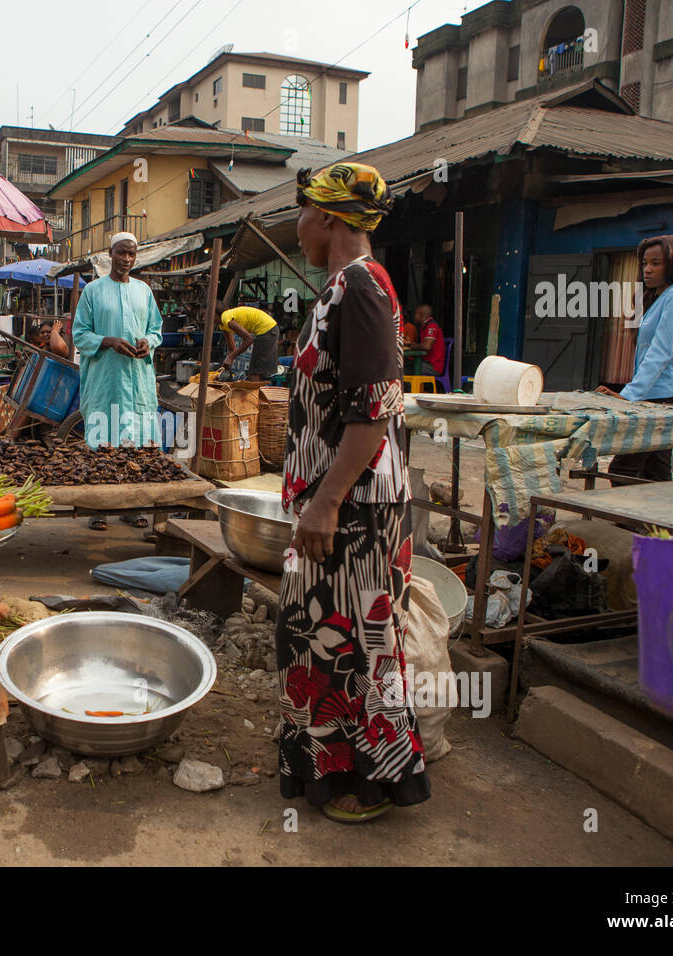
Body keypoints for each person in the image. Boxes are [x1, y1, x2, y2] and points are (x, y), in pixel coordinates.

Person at [279, 162, 429, 824]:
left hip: (357, 510)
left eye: (305, 212)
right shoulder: (341, 288)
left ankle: (372, 786)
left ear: (331, 218)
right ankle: (331, 773)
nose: (298, 225)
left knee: (359, 645)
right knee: (317, 639)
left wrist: (326, 500)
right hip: (338, 504)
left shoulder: (362, 290)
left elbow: (371, 413)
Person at [72, 232, 163, 531]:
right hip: (105, 380)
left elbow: (156, 328)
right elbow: (80, 334)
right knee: (102, 440)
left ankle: (131, 505)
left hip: (137, 380)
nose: (126, 259)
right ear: (110, 254)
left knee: (134, 442)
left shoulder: (144, 291)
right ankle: (98, 508)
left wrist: (148, 342)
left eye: (132, 254)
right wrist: (107, 341)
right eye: (121, 253)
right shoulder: (93, 292)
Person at [597, 234, 673, 484]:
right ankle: (656, 523)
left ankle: (631, 523)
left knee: (623, 469)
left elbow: (660, 352)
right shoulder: (659, 298)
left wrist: (629, 394)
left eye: (656, 263)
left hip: (663, 397)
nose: (648, 270)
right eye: (645, 264)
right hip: (657, 394)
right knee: (656, 471)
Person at [218, 305, 279, 382]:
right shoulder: (222, 324)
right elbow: (231, 348)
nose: (203, 319)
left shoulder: (225, 317)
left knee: (254, 373)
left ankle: (254, 394)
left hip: (267, 329)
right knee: (256, 371)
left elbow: (249, 339)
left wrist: (230, 358)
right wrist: (226, 366)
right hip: (268, 330)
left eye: (204, 315)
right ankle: (258, 392)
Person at [410, 304, 445, 375]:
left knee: (406, 369)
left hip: (433, 367)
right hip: (425, 363)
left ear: (421, 315)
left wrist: (411, 346)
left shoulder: (432, 326)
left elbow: (427, 346)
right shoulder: (423, 327)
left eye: (415, 314)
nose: (414, 316)